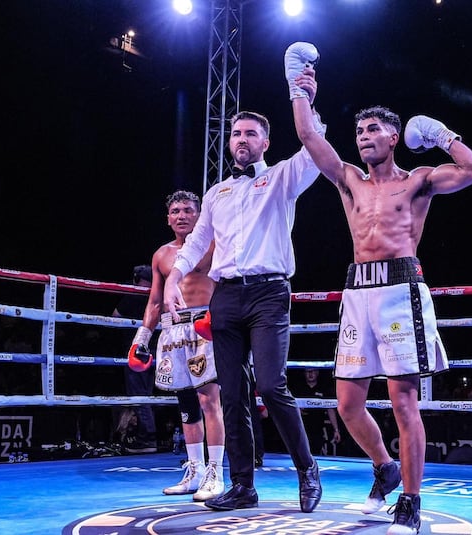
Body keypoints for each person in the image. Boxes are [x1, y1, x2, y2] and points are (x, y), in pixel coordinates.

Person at [288, 42, 472, 534]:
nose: (363, 137)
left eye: (373, 129)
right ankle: (384, 467)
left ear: (395, 136)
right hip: (358, 293)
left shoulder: (419, 179)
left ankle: (411, 503)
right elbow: (308, 134)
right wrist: (298, 88)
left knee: (403, 401)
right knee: (347, 405)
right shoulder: (349, 180)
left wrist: (441, 133)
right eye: (358, 130)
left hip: (402, 291)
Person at [162, 81, 326, 512]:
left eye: (251, 133)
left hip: (269, 294)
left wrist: (304, 97)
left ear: (265, 142)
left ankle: (307, 471)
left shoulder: (282, 176)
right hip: (225, 297)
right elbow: (197, 244)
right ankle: (242, 485)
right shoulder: (217, 192)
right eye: (236, 133)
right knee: (232, 394)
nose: (242, 140)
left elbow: (315, 146)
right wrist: (171, 280)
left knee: (272, 386)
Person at [127, 190, 226, 502]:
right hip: (173, 330)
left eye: (188, 210)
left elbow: (227, 285)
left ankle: (215, 472)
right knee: (185, 404)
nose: (182, 216)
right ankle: (194, 469)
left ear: (198, 215)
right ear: (168, 218)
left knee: (209, 400)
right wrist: (142, 338)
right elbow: (155, 301)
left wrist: (225, 322)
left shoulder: (214, 244)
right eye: (176, 211)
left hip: (205, 326)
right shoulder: (161, 255)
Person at [112, 264, 158, 454]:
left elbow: (115, 317)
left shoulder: (134, 295)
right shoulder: (158, 296)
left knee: (139, 394)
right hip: (156, 352)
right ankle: (151, 436)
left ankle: (147, 439)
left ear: (136, 279)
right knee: (147, 394)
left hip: (137, 351)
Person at [290, 367, 341, 455]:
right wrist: (297, 409)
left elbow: (330, 409)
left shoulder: (323, 388)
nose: (310, 374)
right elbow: (290, 406)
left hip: (317, 427)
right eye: (307, 371)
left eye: (312, 371)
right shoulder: (298, 388)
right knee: (299, 452)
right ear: (304, 373)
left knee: (315, 451)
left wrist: (336, 429)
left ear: (317, 372)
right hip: (300, 426)